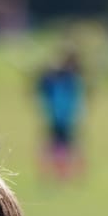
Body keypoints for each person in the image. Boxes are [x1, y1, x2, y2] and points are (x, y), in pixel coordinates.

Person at [35, 48, 86, 183]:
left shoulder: (65, 79)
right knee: (60, 146)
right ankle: (60, 173)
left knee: (59, 145)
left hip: (62, 116)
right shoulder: (64, 80)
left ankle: (60, 173)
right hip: (60, 117)